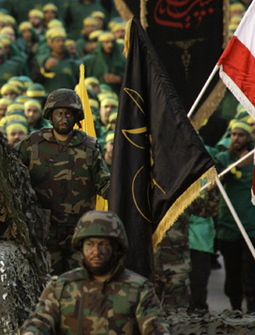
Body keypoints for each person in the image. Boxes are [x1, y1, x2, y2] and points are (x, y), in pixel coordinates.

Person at [20, 210, 170, 335]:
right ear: (81, 247)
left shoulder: (138, 289)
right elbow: (40, 321)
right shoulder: (61, 287)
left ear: (115, 247)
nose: (96, 252)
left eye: (103, 245)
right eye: (90, 244)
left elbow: (154, 327)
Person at [15, 89, 110, 275]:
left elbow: (104, 183)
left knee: (80, 280)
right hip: (44, 231)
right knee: (47, 282)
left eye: (68, 114)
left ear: (76, 117)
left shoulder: (89, 147)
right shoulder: (33, 143)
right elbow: (10, 171)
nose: (64, 119)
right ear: (51, 116)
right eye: (59, 114)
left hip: (80, 231)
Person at [214, 120, 255, 312]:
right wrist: (237, 167)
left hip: (254, 225)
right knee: (232, 269)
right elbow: (216, 182)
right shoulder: (222, 158)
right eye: (233, 134)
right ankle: (235, 307)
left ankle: (254, 304)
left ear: (249, 137)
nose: (236, 138)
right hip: (229, 224)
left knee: (253, 267)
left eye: (240, 135)